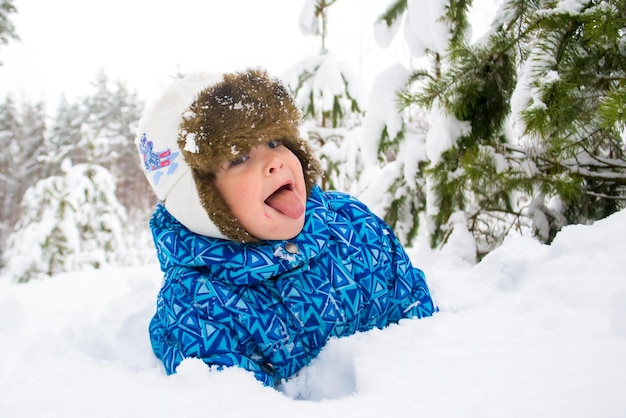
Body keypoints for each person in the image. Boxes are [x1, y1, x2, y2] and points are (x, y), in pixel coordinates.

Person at [136, 68, 436, 387]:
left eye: (275, 141)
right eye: (238, 157)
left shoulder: (353, 226)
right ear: (199, 201)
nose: (275, 161)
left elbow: (417, 313)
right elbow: (232, 403)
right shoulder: (198, 306)